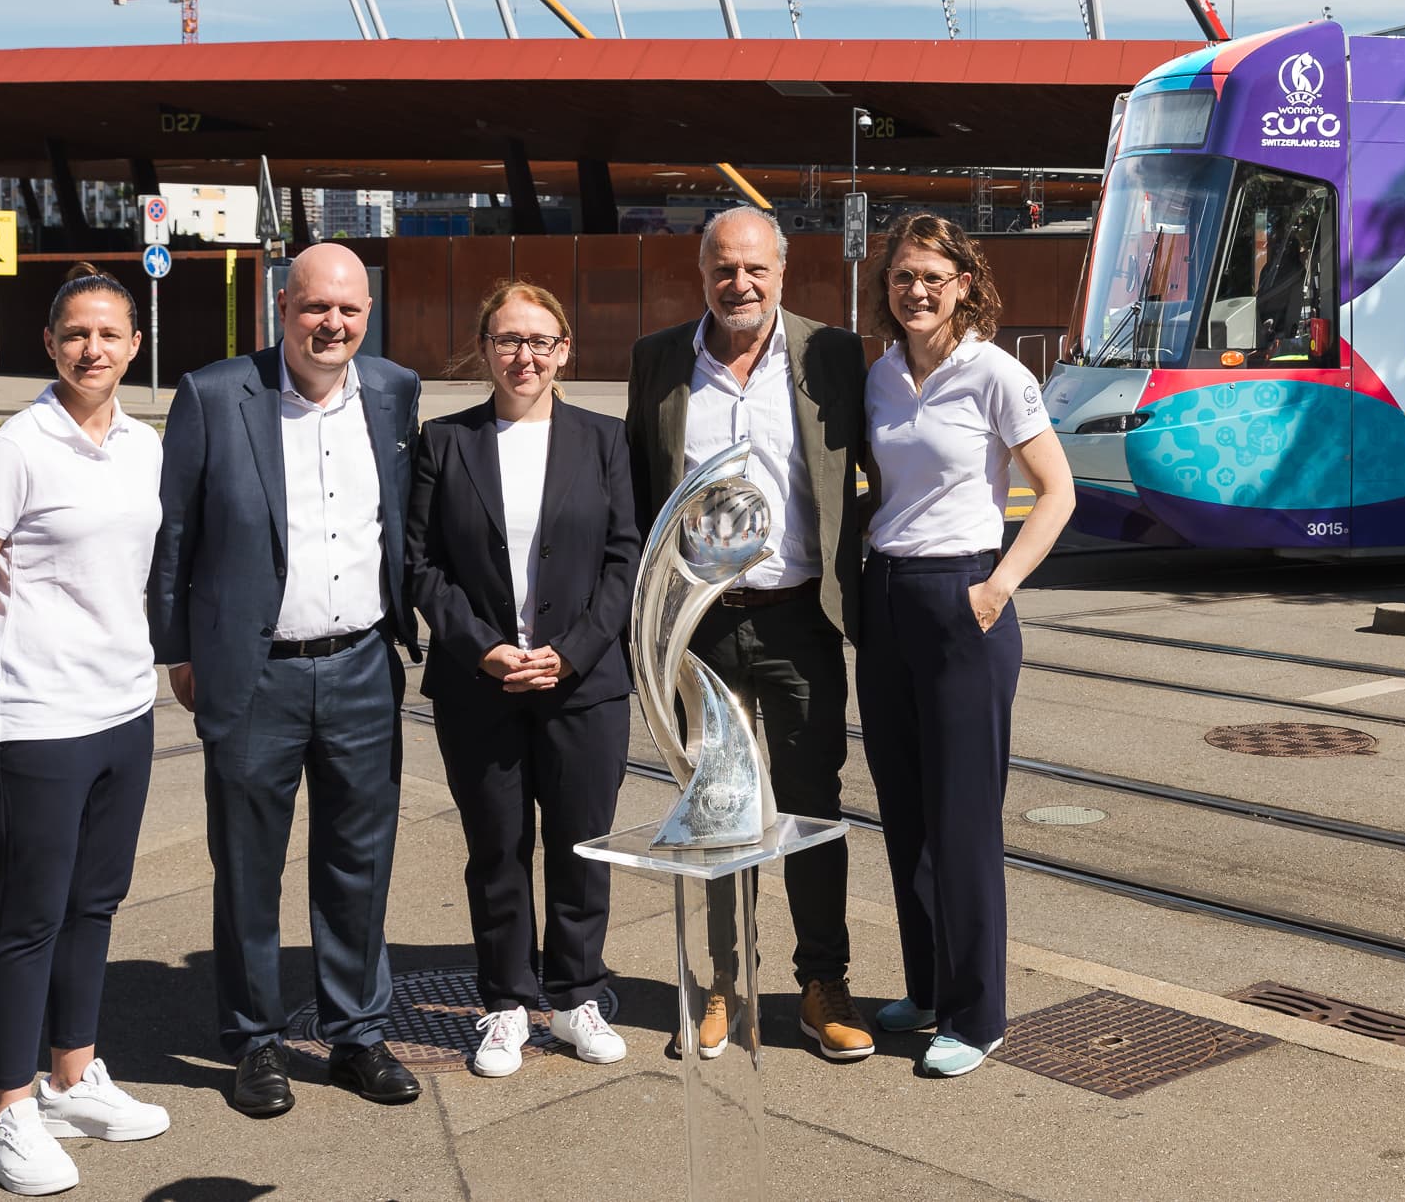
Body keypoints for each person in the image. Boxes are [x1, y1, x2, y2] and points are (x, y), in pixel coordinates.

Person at [148, 243, 423, 1117]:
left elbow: (406, 524)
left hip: (361, 664)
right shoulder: (212, 393)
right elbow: (174, 537)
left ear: (367, 315)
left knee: (358, 861)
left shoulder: (393, 391)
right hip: (254, 671)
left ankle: (356, 1034)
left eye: (347, 309)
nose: (330, 325)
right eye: (314, 308)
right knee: (247, 867)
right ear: (282, 308)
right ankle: (255, 1040)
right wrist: (178, 651)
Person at [0, 265, 172, 1196]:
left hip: (123, 706)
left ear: (135, 345)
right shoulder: (15, 447)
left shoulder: (144, 446)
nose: (93, 349)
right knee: (31, 915)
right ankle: (9, 1109)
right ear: (49, 343)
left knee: (96, 903)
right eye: (76, 333)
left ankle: (73, 1075)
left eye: (110, 333)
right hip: (36, 721)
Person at [626, 207, 872, 1063]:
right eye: (725, 269)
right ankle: (727, 983)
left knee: (812, 806)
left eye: (756, 269)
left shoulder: (829, 354)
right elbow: (639, 488)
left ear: (783, 268)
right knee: (721, 813)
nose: (742, 284)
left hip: (799, 616)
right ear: (702, 272)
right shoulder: (659, 361)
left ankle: (821, 982)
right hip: (701, 630)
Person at [858, 214, 1074, 1078]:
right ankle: (928, 986)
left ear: (964, 284)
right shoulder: (875, 376)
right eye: (904, 276)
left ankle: (977, 1012)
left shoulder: (996, 373)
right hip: (886, 596)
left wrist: (997, 585)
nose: (917, 290)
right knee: (904, 811)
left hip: (964, 599)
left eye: (933, 277)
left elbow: (1056, 493)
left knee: (962, 818)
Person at [406, 280, 641, 1077]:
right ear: (486, 348)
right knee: (497, 848)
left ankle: (575, 995)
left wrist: (571, 649)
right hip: (482, 686)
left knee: (583, 843)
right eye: (508, 340)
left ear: (564, 349)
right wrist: (482, 647)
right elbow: (421, 564)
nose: (524, 355)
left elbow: (625, 557)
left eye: (540, 340)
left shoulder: (604, 439)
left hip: (584, 683)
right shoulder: (445, 441)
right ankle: (505, 1003)